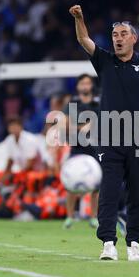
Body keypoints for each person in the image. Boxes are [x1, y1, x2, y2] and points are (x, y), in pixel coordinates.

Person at [70, 5, 139, 261]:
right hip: (109, 138)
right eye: (115, 35)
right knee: (109, 191)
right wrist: (81, 18)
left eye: (123, 34)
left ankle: (134, 242)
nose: (118, 39)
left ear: (134, 38)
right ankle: (108, 242)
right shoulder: (104, 60)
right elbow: (84, 39)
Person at [62, 73, 100, 229]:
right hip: (77, 147)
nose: (85, 86)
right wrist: (85, 126)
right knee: (71, 183)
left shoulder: (99, 103)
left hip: (95, 147)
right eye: (82, 83)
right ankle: (70, 217)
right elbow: (66, 125)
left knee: (96, 184)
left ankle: (94, 217)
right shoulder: (72, 103)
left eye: (87, 83)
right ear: (78, 87)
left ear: (91, 85)